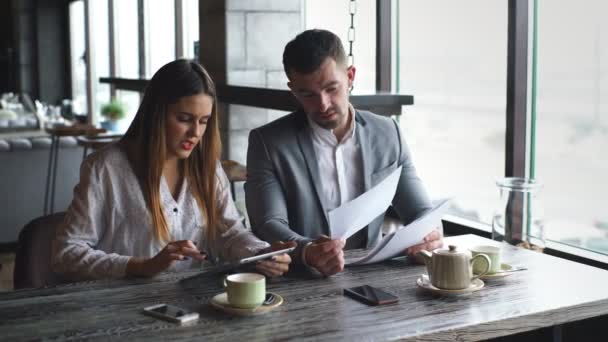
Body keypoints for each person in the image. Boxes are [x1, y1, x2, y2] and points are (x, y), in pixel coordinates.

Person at [52, 59, 294, 281]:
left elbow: (229, 233)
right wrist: (141, 266)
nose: (196, 133)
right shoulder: (106, 169)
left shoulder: (208, 168)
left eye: (204, 121)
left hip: (195, 304)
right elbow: (66, 253)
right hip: (123, 310)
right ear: (156, 114)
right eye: (185, 119)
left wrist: (261, 253)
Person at [245, 29, 442, 276]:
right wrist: (307, 251)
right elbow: (268, 223)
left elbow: (421, 211)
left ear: (350, 77)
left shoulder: (388, 132)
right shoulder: (268, 142)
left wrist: (430, 234)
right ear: (293, 90)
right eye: (308, 95)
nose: (323, 104)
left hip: (374, 276)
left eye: (331, 88)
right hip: (302, 282)